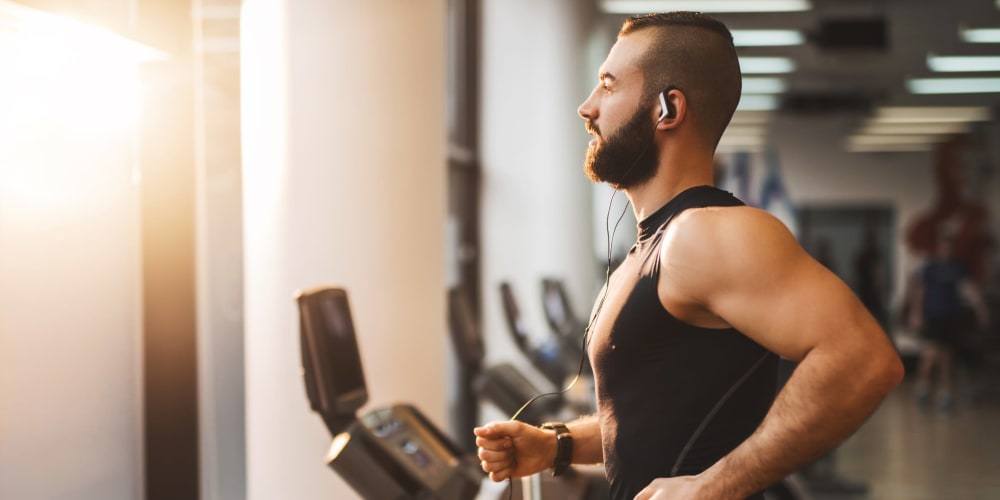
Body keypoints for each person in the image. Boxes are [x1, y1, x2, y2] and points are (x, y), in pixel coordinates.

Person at [474, 12, 903, 500]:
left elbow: (865, 360)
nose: (586, 107)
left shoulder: (703, 234)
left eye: (608, 86)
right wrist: (558, 445)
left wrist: (714, 486)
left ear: (667, 109)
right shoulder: (654, 243)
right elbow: (651, 419)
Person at [908, 231, 989, 413]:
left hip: (951, 316)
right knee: (930, 353)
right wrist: (916, 313)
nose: (946, 250)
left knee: (947, 355)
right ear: (939, 247)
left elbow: (969, 288)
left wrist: (980, 308)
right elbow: (920, 291)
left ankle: (945, 394)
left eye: (950, 247)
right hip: (932, 315)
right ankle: (923, 386)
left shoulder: (958, 267)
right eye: (944, 247)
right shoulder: (930, 267)